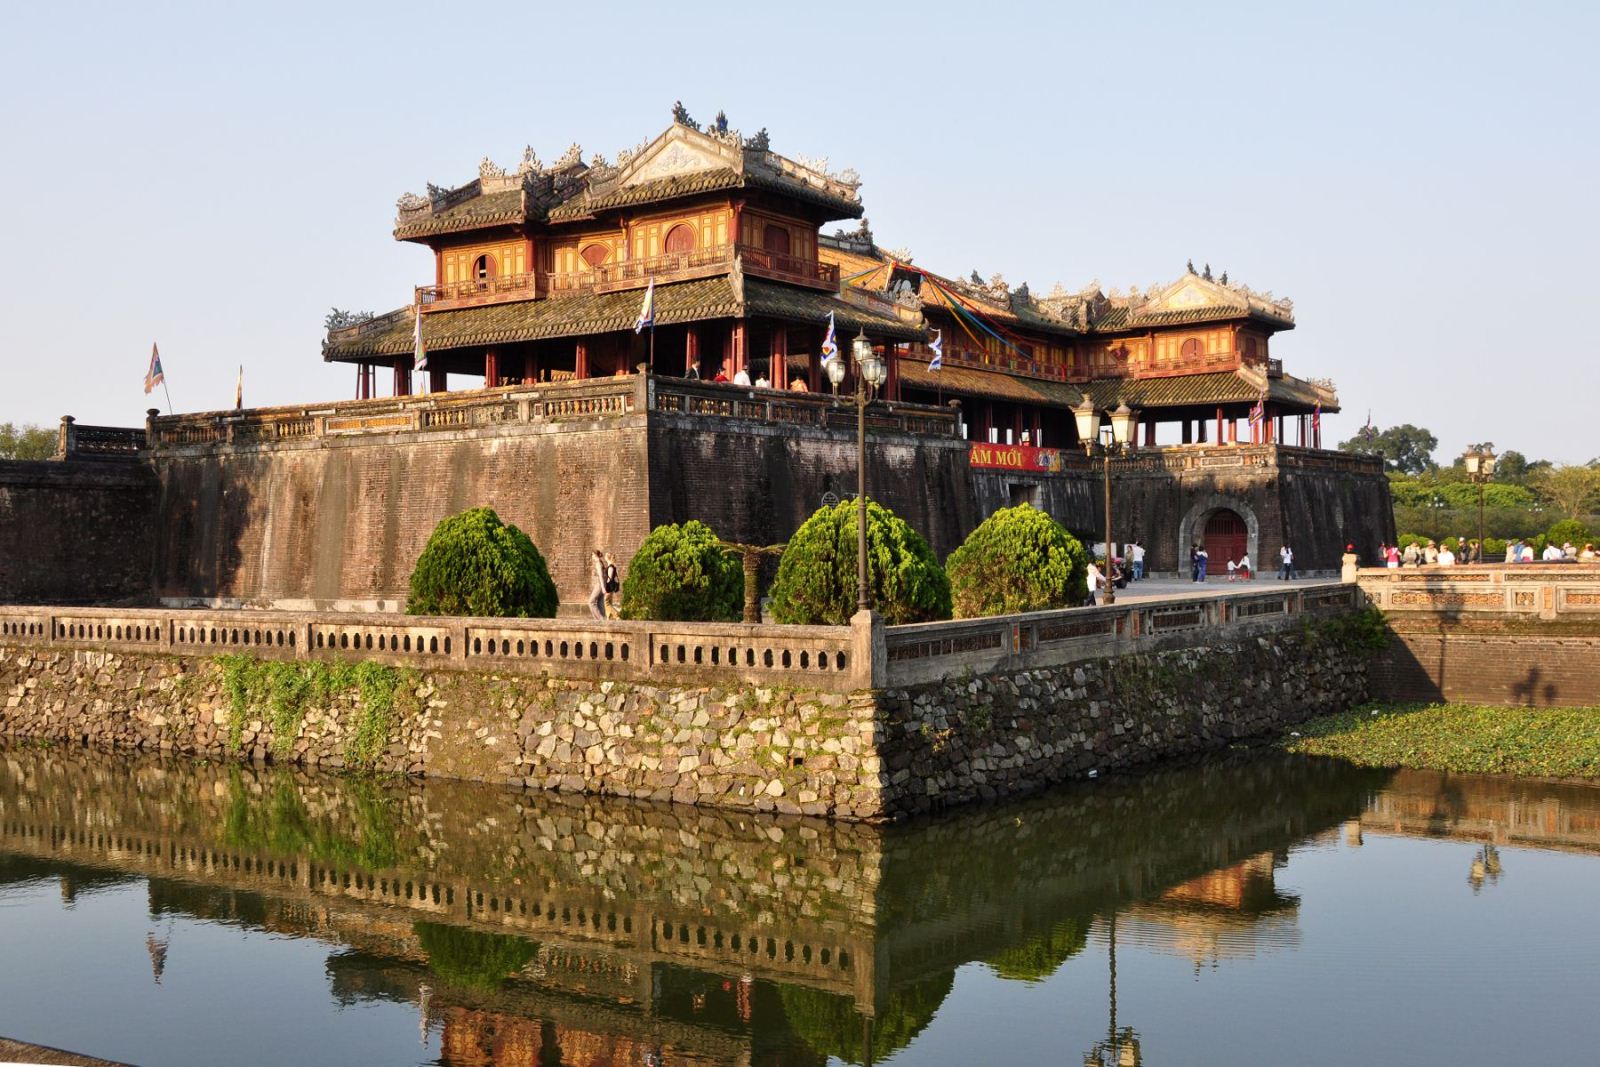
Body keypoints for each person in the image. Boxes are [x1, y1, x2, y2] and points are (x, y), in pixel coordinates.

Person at [588, 549, 608, 621]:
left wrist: (602, 587)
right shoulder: (600, 563)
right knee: (600, 602)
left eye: (592, 555)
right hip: (601, 585)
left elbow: (601, 576)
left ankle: (600, 619)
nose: (592, 556)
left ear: (595, 555)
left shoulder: (598, 564)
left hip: (599, 585)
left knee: (591, 602)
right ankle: (603, 620)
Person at [602, 551, 620, 617]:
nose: (604, 557)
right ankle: (610, 617)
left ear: (608, 558)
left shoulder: (610, 567)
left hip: (609, 587)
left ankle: (616, 614)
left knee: (606, 603)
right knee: (609, 603)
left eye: (606, 556)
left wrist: (605, 587)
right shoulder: (611, 566)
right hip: (609, 587)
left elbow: (609, 578)